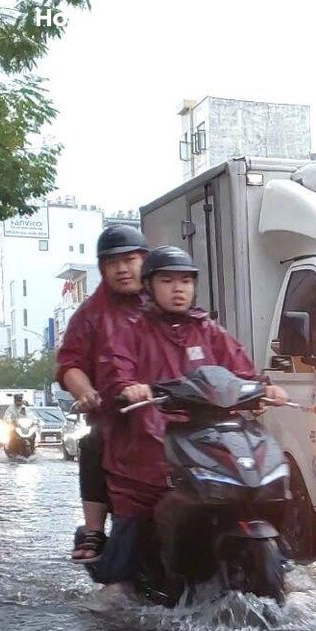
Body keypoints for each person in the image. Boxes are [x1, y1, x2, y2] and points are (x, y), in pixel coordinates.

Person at [96, 246, 287, 590]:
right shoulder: (130, 330)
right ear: (150, 286)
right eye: (167, 281)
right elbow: (115, 369)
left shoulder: (209, 330)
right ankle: (122, 588)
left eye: (185, 281)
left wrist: (265, 388)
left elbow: (242, 370)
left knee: (263, 490)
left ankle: (281, 563)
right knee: (118, 580)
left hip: (211, 437)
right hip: (147, 450)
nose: (178, 289)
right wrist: (129, 388)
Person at [57, 223, 150, 561]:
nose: (123, 269)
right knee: (93, 441)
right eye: (113, 263)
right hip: (117, 415)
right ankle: (94, 530)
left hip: (170, 412)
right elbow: (70, 364)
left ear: (145, 260)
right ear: (102, 269)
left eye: (130, 259)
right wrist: (86, 392)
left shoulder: (164, 303)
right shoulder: (89, 315)